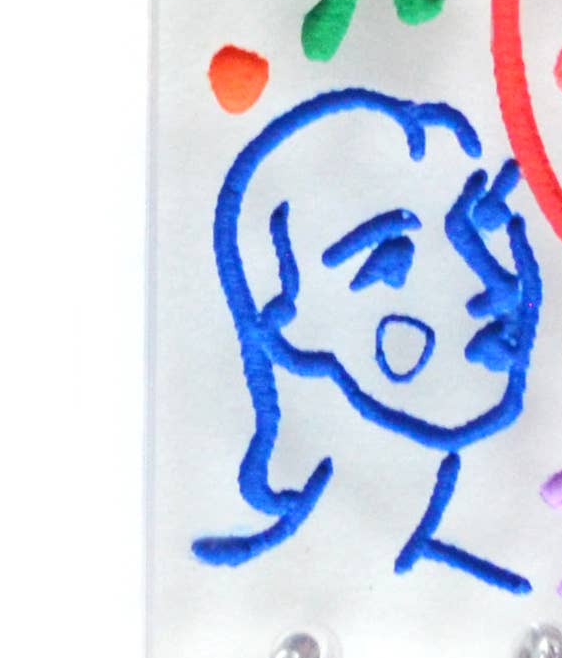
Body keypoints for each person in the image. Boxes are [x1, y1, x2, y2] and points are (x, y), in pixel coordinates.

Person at [196, 87, 541, 586]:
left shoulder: (511, 517)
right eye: (392, 261)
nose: (496, 286)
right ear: (282, 307)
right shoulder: (318, 565)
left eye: (482, 223)